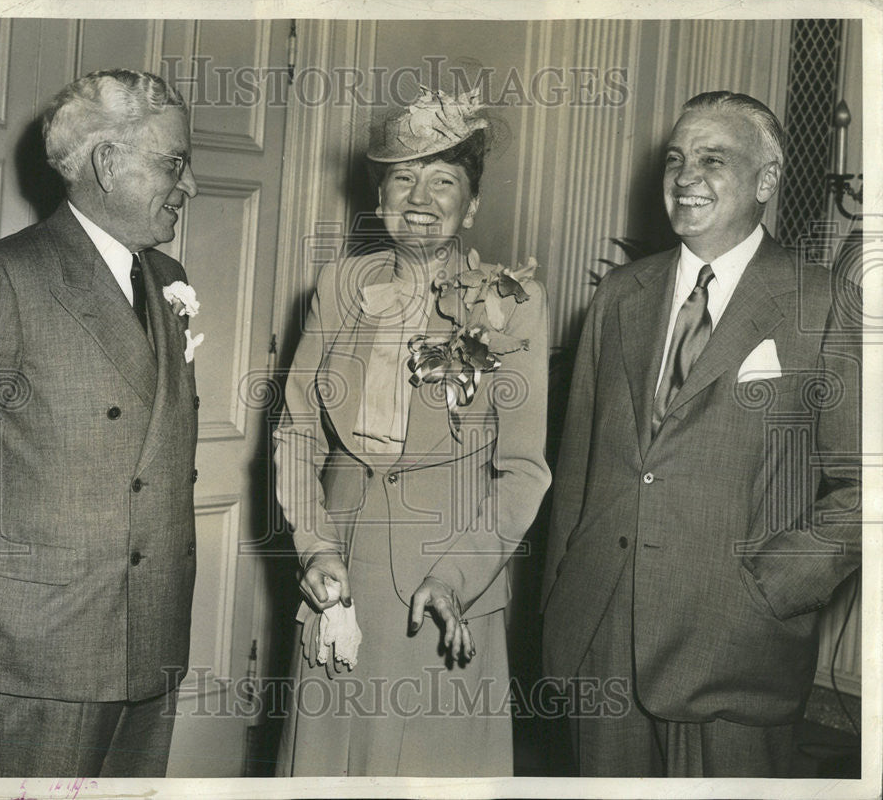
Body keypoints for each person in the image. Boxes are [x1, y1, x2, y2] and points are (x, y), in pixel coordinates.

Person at [540, 91, 861, 777]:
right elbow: (577, 472)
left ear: (766, 181)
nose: (686, 177)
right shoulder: (619, 295)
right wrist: (563, 607)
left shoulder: (821, 304)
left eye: (713, 160)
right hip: (602, 638)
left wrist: (771, 590)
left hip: (734, 647)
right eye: (677, 159)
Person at [0, 68, 202, 777]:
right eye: (174, 163)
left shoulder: (166, 280)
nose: (189, 185)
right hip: (36, 648)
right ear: (107, 162)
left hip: (149, 635)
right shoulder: (6, 279)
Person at [273, 87, 551, 776]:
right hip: (340, 573)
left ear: (473, 203)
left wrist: (458, 576)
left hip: (448, 577)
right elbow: (298, 428)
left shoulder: (510, 302)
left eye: (443, 179)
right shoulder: (340, 284)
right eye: (402, 177)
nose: (420, 197)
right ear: (379, 195)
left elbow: (524, 469)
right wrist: (313, 545)